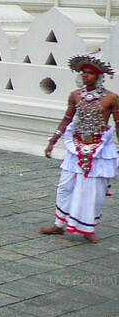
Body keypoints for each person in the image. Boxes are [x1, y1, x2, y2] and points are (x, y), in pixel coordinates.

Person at [39, 52, 119, 242]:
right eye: (83, 72)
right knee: (65, 186)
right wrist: (52, 141)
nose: (86, 76)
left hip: (98, 150)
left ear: (99, 76)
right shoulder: (75, 96)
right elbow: (67, 119)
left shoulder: (111, 98)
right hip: (76, 147)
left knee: (93, 192)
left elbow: (118, 124)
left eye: (90, 73)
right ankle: (59, 224)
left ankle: (88, 229)